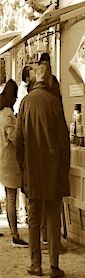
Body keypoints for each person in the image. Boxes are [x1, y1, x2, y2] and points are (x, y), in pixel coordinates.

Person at [14, 62, 70, 277]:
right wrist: (64, 168)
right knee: (53, 216)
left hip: (32, 169)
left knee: (34, 217)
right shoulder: (54, 102)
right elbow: (63, 141)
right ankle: (54, 264)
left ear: (35, 79)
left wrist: (23, 165)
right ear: (48, 79)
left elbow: (19, 140)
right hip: (52, 169)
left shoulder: (26, 103)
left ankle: (35, 263)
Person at [0, 79, 27, 246]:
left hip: (1, 157)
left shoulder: (0, 112)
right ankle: (15, 235)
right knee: (11, 198)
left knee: (7, 195)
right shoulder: (8, 114)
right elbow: (14, 138)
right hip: (9, 160)